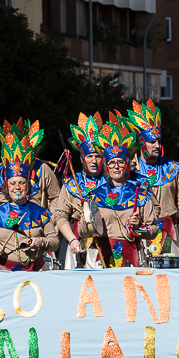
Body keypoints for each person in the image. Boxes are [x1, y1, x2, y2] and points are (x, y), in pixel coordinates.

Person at [0, 128, 59, 271]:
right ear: (6, 187)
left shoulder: (41, 213)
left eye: (21, 183)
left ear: (28, 186)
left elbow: (55, 242)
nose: (17, 187)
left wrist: (41, 242)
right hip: (3, 272)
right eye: (12, 183)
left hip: (37, 271)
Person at [125, 100, 179, 256]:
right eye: (152, 142)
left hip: (169, 228)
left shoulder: (172, 168)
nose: (157, 145)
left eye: (159, 141)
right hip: (140, 230)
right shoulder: (130, 169)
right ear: (141, 143)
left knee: (171, 275)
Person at [89, 114, 158, 268]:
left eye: (120, 162)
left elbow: (153, 229)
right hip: (101, 259)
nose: (117, 166)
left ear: (127, 164)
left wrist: (138, 227)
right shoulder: (94, 195)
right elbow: (84, 231)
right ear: (106, 166)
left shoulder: (141, 194)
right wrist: (87, 221)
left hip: (132, 259)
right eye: (112, 163)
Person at [0, 119, 61, 221]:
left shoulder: (43, 170)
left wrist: (47, 222)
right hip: (3, 233)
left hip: (37, 231)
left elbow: (57, 199)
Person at [52, 113, 106, 269]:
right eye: (89, 156)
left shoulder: (111, 183)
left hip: (106, 244)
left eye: (98, 156)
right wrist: (72, 239)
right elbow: (61, 216)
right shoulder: (71, 184)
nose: (94, 161)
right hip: (78, 244)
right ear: (82, 159)